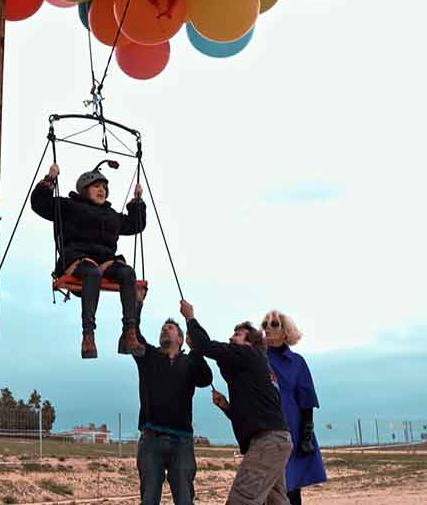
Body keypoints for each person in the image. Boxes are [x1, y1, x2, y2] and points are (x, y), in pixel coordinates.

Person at [179, 301, 292, 505]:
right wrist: (227, 407)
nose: (231, 338)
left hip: (267, 443)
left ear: (250, 343)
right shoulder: (256, 366)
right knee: (276, 501)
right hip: (276, 442)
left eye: (237, 335)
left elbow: (207, 346)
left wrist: (190, 318)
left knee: (241, 500)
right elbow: (256, 411)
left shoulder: (249, 355)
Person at [31, 161, 146, 358]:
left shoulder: (111, 216)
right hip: (77, 261)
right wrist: (49, 180)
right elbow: (40, 204)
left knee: (128, 273)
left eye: (104, 188)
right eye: (96, 187)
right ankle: (88, 335)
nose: (102, 190)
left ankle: (130, 332)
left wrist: (137, 203)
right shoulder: (68, 206)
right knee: (91, 273)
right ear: (85, 189)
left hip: (106, 263)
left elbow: (136, 224)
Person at [133, 318, 214, 505]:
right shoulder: (148, 356)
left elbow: (205, 378)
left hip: (182, 441)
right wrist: (137, 303)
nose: (164, 330)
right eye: (162, 328)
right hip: (151, 439)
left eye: (169, 328)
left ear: (180, 339)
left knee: (185, 499)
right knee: (149, 500)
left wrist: (195, 351)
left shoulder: (189, 362)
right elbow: (133, 334)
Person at [262, 310, 326, 505]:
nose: (268, 329)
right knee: (267, 487)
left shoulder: (297, 362)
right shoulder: (258, 358)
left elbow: (307, 400)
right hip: (267, 429)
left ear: (285, 331)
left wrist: (306, 436)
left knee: (291, 486)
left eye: (274, 324)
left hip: (294, 429)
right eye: (265, 324)